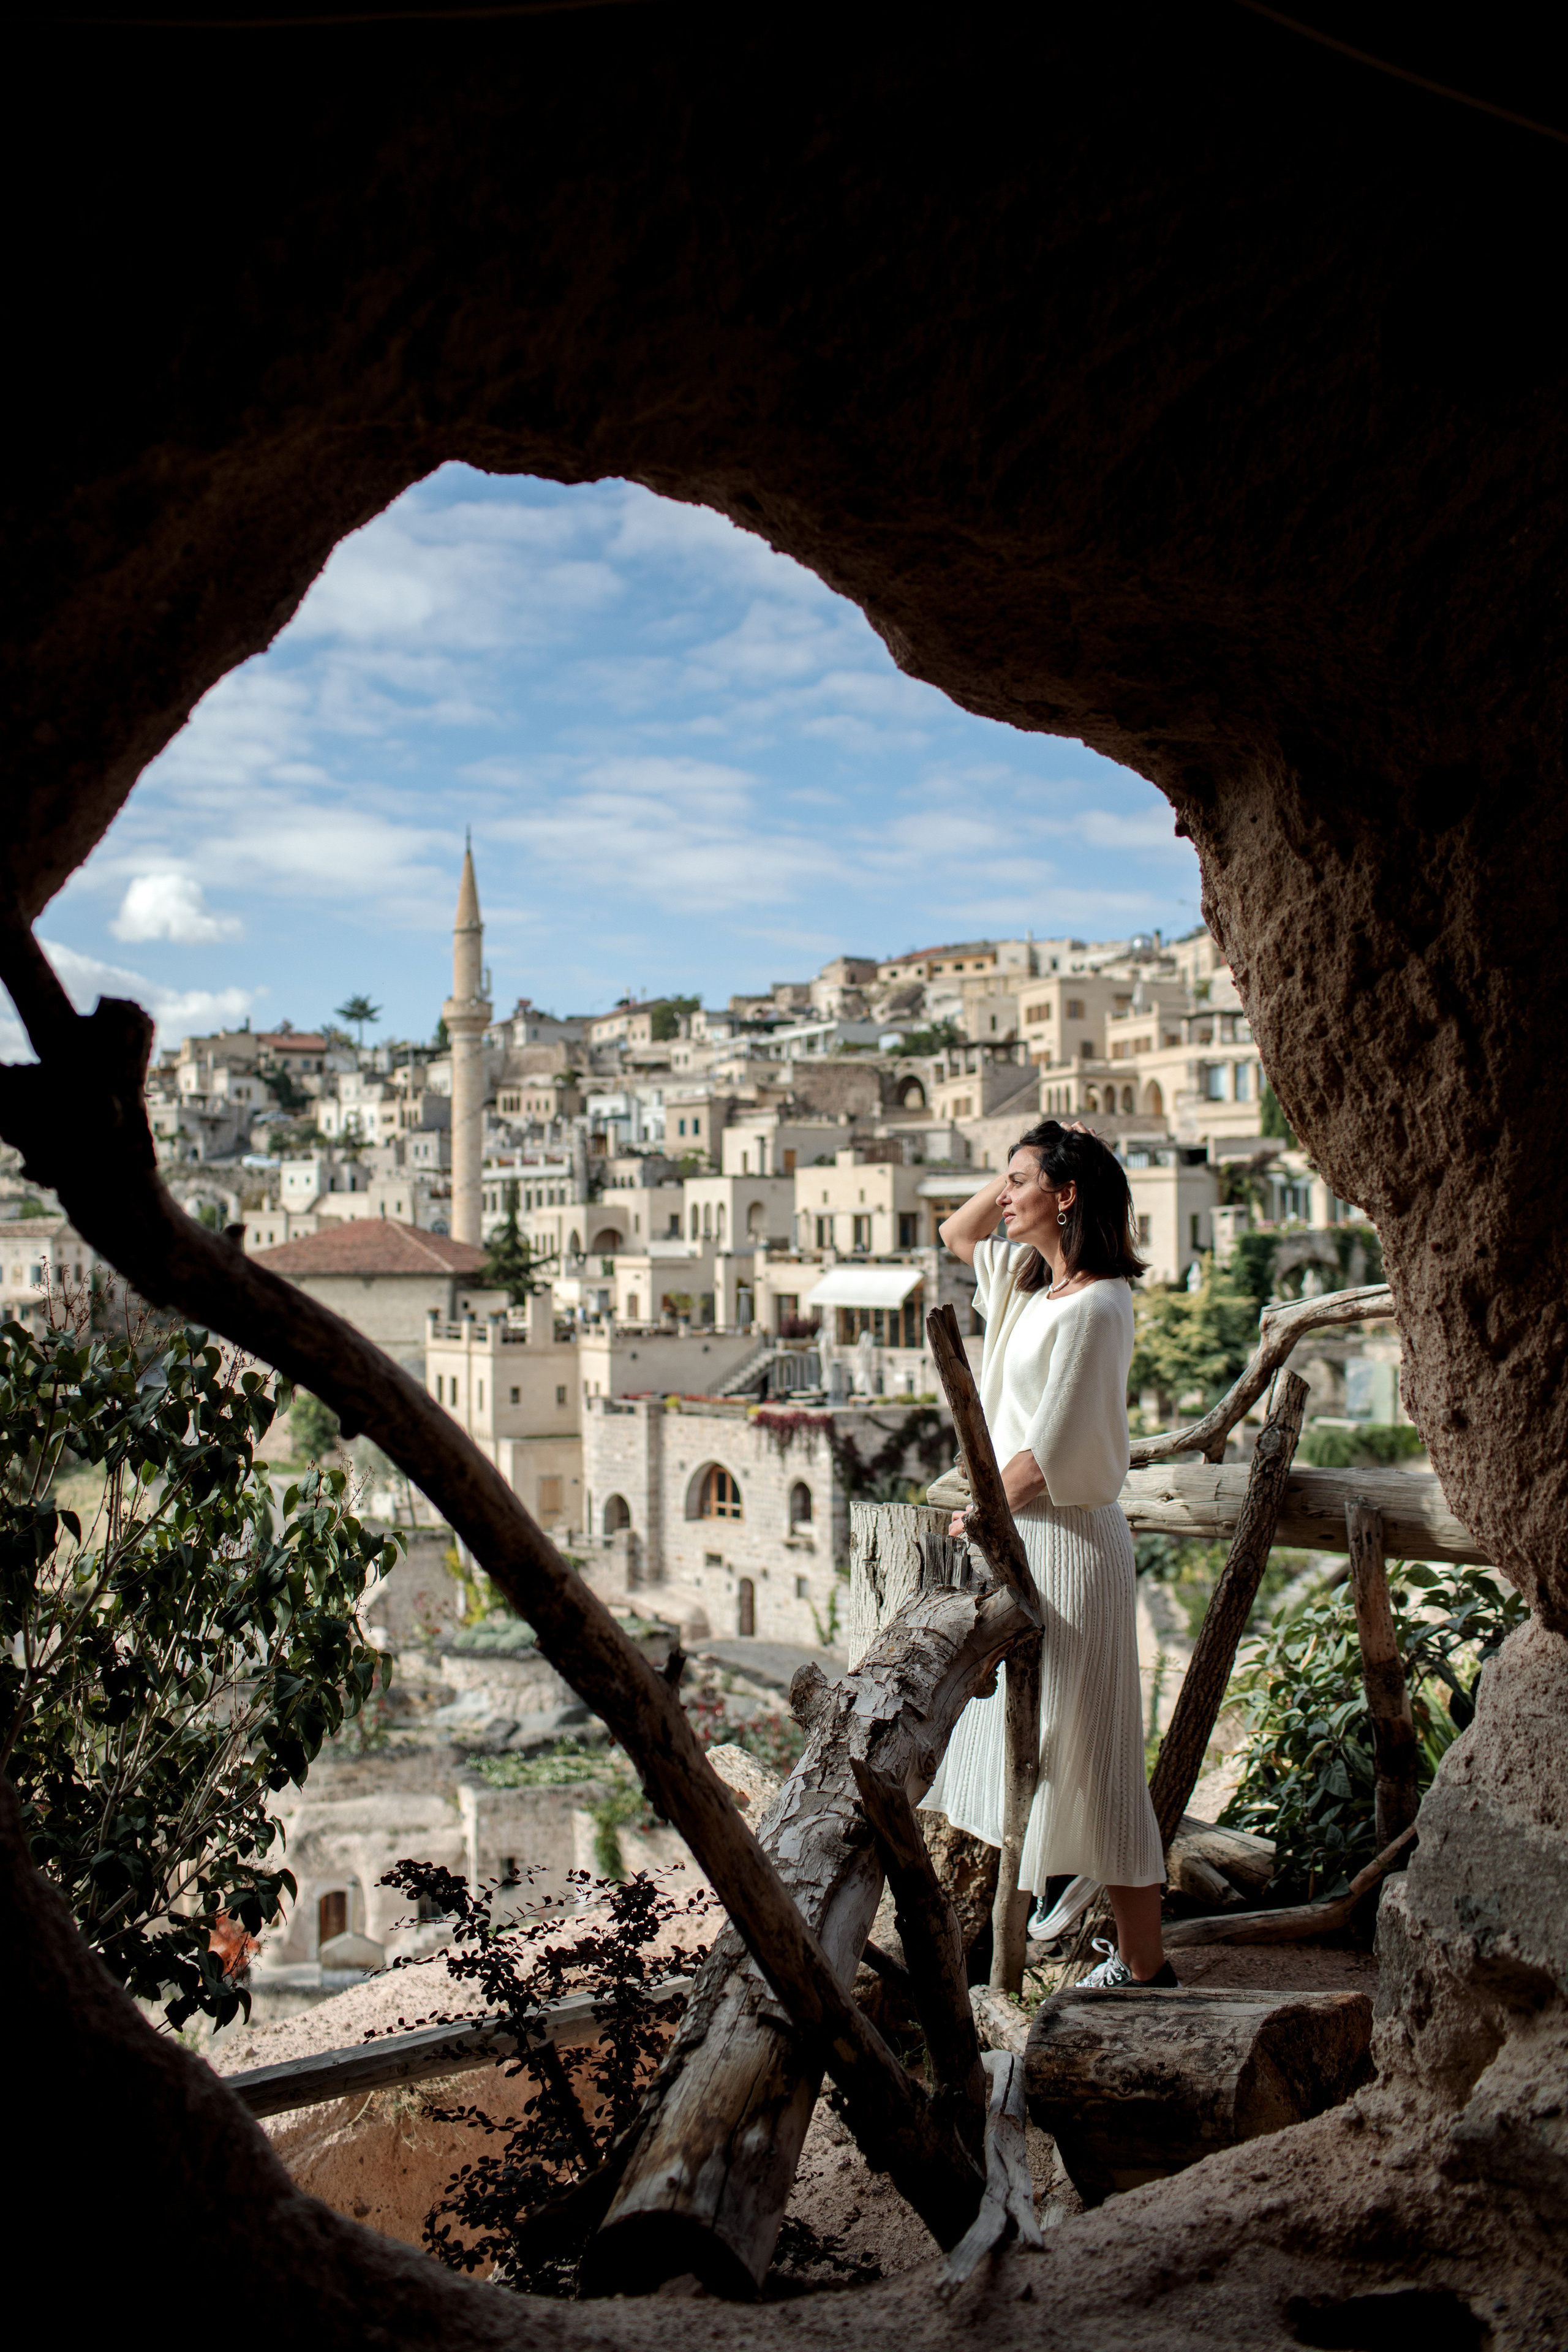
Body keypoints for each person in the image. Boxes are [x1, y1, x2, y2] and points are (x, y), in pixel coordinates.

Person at [920, 1118, 1177, 1988]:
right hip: (1021, 1539)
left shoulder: (1101, 1304)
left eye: (1020, 1181)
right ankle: (1051, 1942)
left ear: (1066, 1197)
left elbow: (1049, 1451)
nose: (1003, 1196)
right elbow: (955, 1233)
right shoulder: (1032, 1290)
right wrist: (1036, 1151)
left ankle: (1145, 1964)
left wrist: (980, 1516)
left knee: (1098, 1753)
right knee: (1026, 1744)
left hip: (1069, 1547)